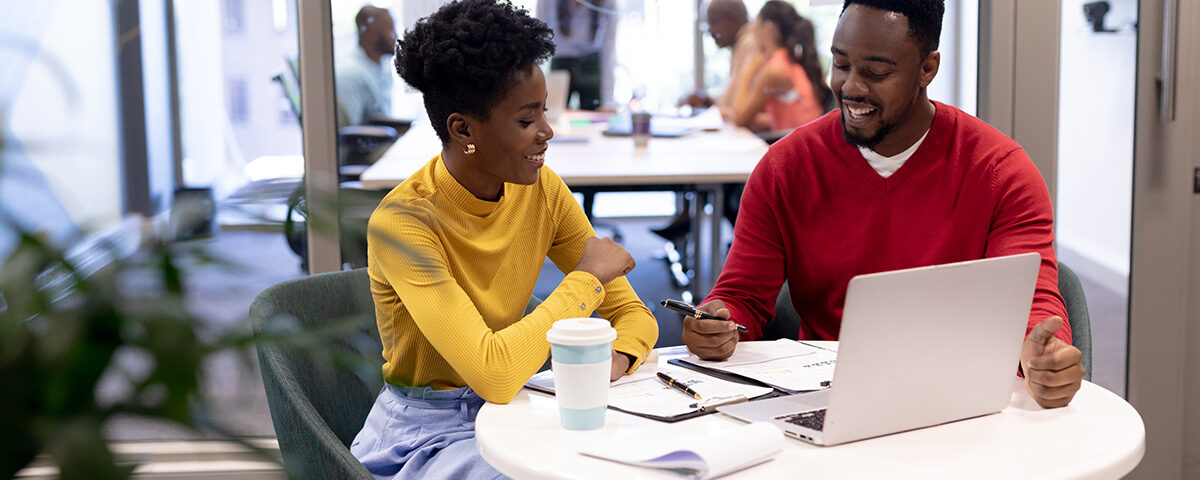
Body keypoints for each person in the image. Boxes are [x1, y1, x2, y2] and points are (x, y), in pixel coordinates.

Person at [681, 0, 1086, 409]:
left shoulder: (1001, 172)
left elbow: (1031, 300)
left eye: (877, 72)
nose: (852, 87)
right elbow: (741, 298)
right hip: (825, 400)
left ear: (927, 68)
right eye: (841, 65)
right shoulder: (785, 167)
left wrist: (1043, 356)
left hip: (958, 403)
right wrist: (717, 325)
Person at [352, 1, 658, 478]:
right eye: (525, 120)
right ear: (464, 130)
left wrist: (612, 362)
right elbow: (494, 371)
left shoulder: (542, 191)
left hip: (520, 405)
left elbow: (634, 316)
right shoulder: (403, 224)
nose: (547, 132)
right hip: (427, 432)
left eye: (544, 112)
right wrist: (586, 279)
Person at [731, 1, 834, 132]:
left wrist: (748, 69)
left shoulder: (774, 70)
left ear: (768, 27)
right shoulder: (788, 60)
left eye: (755, 23)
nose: (752, 30)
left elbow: (739, 118)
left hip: (800, 147)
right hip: (805, 139)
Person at [538, 0, 610, 110]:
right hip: (561, 60)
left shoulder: (607, 2)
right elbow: (538, 37)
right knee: (553, 111)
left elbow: (609, 46)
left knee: (592, 115)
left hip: (591, 63)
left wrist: (608, 100)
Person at [335, 6, 396, 126]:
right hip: (369, 142)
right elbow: (351, 133)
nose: (396, 37)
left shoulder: (382, 65)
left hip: (383, 136)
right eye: (391, 31)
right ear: (372, 35)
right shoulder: (350, 74)